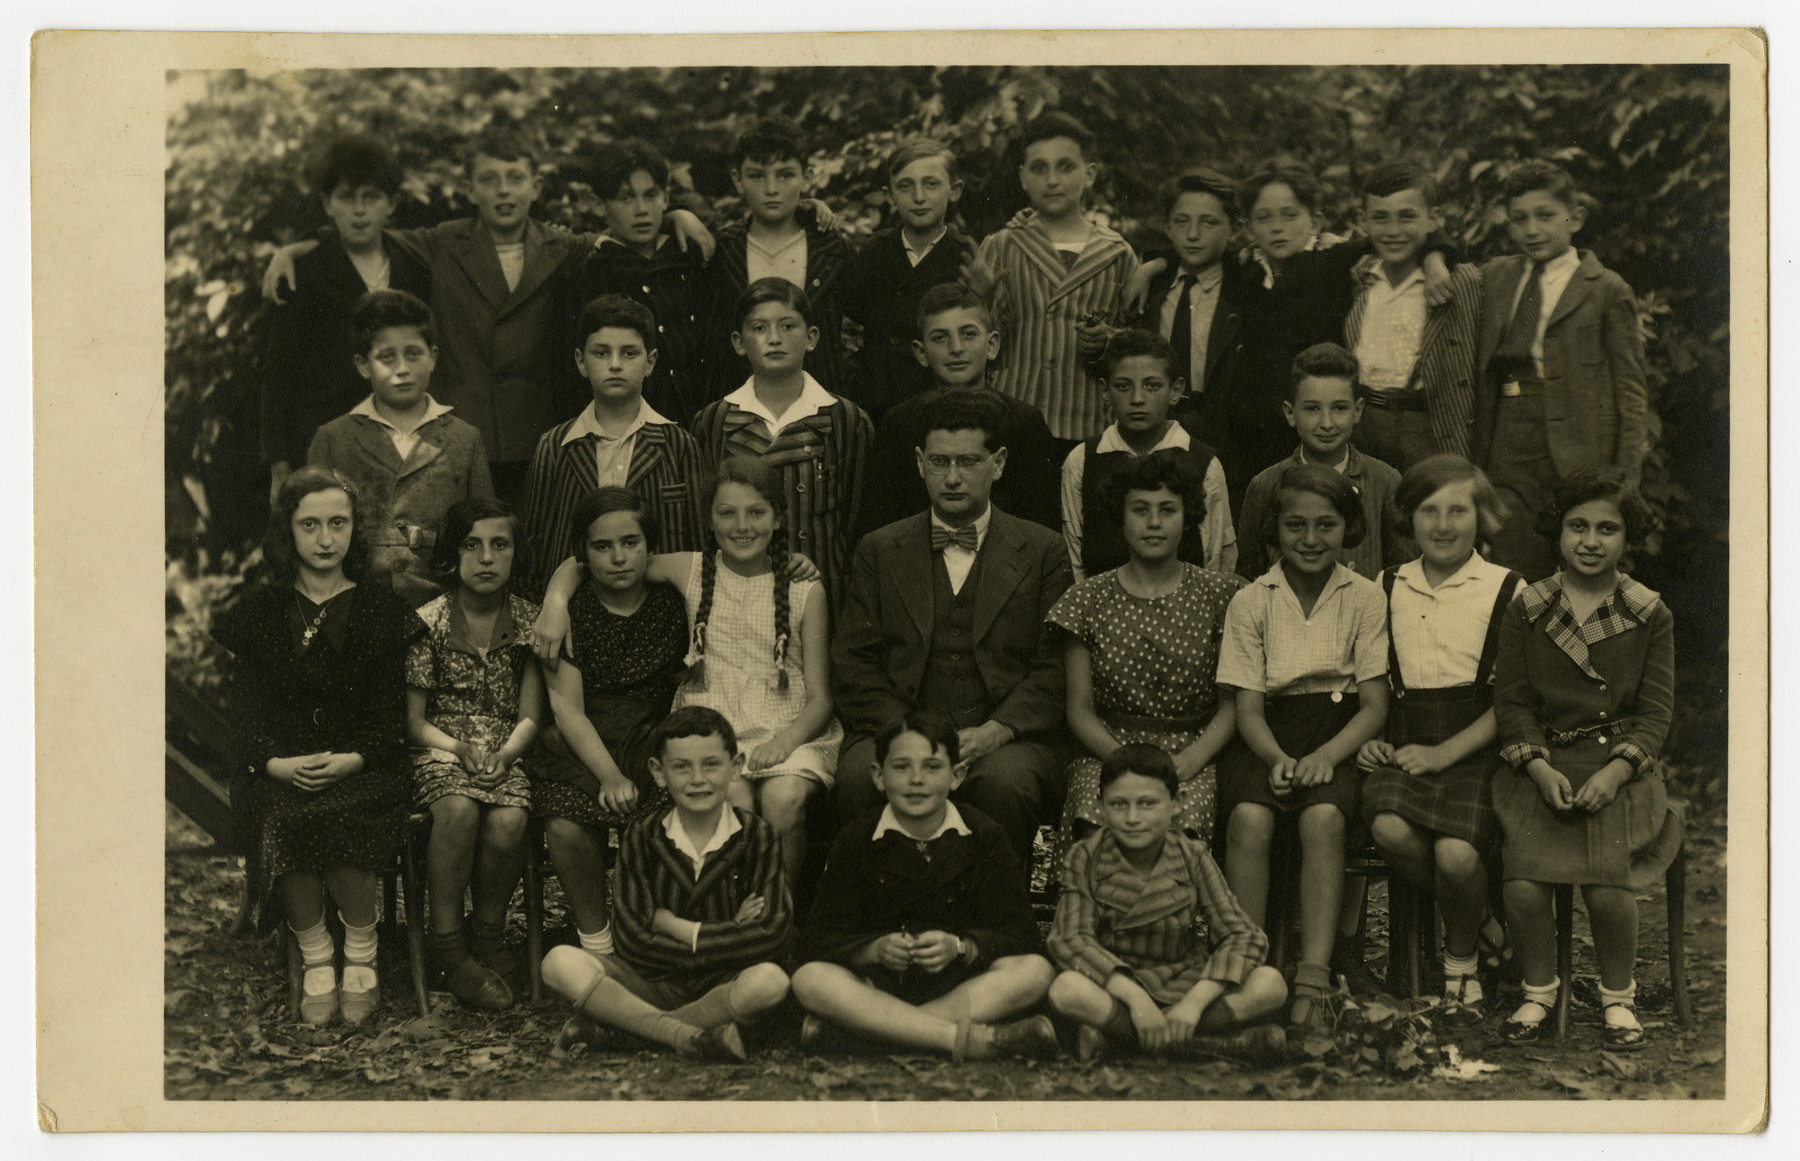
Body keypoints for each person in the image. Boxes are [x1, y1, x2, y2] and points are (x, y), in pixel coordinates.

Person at [263, 126, 715, 504]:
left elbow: (615, 234)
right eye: (491, 180)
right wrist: (297, 248)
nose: (504, 192)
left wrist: (679, 215)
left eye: (515, 179)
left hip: (536, 436)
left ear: (535, 186)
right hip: (459, 438)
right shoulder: (442, 242)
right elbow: (370, 235)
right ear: (471, 189)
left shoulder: (561, 246)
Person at [208, 467, 426, 1027]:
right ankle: (315, 957)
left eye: (338, 523)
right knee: (283, 815)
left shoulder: (380, 610)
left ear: (355, 529)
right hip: (281, 767)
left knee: (346, 808)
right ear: (289, 532)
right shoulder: (261, 612)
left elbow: (388, 719)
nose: (325, 538)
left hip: (363, 764)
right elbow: (246, 715)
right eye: (310, 525)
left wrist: (352, 759)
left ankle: (360, 953)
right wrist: (276, 764)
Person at [832, 388, 1073, 863]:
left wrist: (997, 730)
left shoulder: (1043, 549)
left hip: (1004, 735)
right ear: (920, 463)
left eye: (968, 461)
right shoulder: (880, 549)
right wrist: (906, 736)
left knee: (1005, 784)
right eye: (940, 462)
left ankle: (994, 922)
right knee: (860, 777)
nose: (954, 478)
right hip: (899, 723)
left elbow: (1055, 667)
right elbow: (854, 662)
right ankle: (879, 918)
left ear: (998, 463)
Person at [1491, 469, 1680, 1049]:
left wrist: (1618, 770)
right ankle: (1538, 991)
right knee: (1523, 886)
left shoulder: (1649, 613)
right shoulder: (1530, 605)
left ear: (1628, 539)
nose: (1590, 541)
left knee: (1606, 886)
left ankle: (1617, 998)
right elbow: (1512, 700)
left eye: (1607, 528)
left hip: (1619, 769)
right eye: (1578, 526)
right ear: (1558, 532)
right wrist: (1538, 766)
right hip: (1543, 764)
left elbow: (1655, 714)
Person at [1216, 463, 1389, 1029]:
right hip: (1267, 732)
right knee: (1248, 818)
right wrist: (1276, 759)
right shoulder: (1252, 600)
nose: (1310, 540)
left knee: (1323, 821)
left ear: (1348, 528)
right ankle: (1250, 969)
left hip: (1336, 733)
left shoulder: (1365, 597)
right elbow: (1245, 707)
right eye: (1295, 526)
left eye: (1326, 525)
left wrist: (1326, 757)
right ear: (1274, 528)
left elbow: (1375, 707)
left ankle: (1313, 977)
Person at [1355, 455, 1524, 1027]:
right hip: (1405, 742)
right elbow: (1373, 679)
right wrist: (1373, 738)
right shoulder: (1385, 586)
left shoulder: (1508, 589)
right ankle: (1482, 924)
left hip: (1477, 748)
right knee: (1387, 826)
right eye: (1429, 510)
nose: (1444, 525)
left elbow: (1512, 703)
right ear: (1408, 517)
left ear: (1482, 518)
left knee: (1456, 855)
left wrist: (1444, 754)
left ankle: (1461, 961)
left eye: (1459, 510)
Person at [790, 712, 1059, 1060]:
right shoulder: (857, 838)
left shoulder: (984, 835)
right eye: (901, 767)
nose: (916, 779)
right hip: (878, 985)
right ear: (878, 776)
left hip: (959, 986)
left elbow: (1019, 932)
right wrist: (873, 950)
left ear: (957, 775)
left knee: (1035, 972)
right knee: (810, 978)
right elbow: (818, 938)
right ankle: (966, 1040)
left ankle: (874, 1035)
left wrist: (962, 947)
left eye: (932, 767)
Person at [541, 707, 793, 1060]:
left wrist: (682, 931)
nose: (697, 779)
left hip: (725, 981)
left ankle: (627, 1032)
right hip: (651, 983)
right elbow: (633, 937)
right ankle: (685, 1035)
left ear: (736, 767)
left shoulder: (757, 835)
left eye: (711, 764)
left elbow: (771, 930)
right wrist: (729, 929)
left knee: (770, 981)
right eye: (681, 767)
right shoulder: (642, 835)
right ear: (658, 773)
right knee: (559, 962)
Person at [1050, 454, 1247, 869]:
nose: (1153, 523)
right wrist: (1125, 761)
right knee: (1097, 814)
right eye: (1140, 510)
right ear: (1120, 519)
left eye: (1167, 510)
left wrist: (1191, 760)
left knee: (1183, 825)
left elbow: (1233, 703)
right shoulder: (1086, 601)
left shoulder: (1224, 597)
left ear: (1188, 517)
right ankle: (1096, 928)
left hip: (1192, 752)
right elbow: (1079, 711)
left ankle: (1166, 927)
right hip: (1109, 750)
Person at [660, 456, 841, 890]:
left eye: (757, 512)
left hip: (789, 728)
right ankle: (737, 917)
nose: (742, 526)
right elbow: (610, 558)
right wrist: (555, 598)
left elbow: (820, 699)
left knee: (783, 799)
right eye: (727, 512)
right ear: (709, 519)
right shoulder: (691, 570)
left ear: (778, 519)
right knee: (731, 798)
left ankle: (782, 915)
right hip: (712, 728)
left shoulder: (804, 590)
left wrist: (784, 743)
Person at [1046, 744, 1287, 1063]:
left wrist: (1194, 1003)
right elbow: (1069, 939)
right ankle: (1204, 1046)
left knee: (1271, 984)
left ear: (1175, 804)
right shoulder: (1086, 856)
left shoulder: (1192, 855)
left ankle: (1125, 1042)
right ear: (1101, 807)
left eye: (1147, 804)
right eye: (1119, 804)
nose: (1132, 818)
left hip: (1183, 982)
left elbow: (1244, 935)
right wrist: (1136, 999)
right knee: (1067, 989)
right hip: (1116, 988)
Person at [1470, 161, 1650, 581]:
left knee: (1581, 571)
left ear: (1575, 218)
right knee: (1510, 566)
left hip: (1581, 452)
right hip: (1509, 446)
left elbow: (1631, 393)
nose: (1532, 229)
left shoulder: (1605, 288)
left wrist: (1623, 483)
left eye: (1545, 215)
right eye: (1519, 219)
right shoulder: (1494, 277)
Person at [529, 488, 689, 960]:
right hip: (584, 741)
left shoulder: (672, 599)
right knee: (565, 825)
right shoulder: (566, 614)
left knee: (671, 817)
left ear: (649, 546)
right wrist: (610, 775)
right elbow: (568, 710)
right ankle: (597, 945)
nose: (618, 558)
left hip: (652, 736)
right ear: (582, 552)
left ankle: (655, 939)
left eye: (631, 543)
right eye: (601, 547)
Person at [404, 497, 543, 1011]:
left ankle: (487, 934)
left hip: (506, 749)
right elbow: (414, 723)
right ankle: (447, 946)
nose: (486, 558)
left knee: (509, 821)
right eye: (472, 545)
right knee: (459, 810)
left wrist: (506, 755)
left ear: (513, 555)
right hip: (440, 749)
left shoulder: (530, 623)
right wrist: (458, 747)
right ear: (452, 555)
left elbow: (531, 714)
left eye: (499, 546)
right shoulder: (429, 622)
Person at [258, 133, 432, 508]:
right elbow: (278, 372)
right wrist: (279, 465)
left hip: (399, 439)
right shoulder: (301, 273)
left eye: (371, 198)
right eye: (346, 198)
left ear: (391, 204)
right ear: (327, 204)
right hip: (323, 440)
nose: (359, 211)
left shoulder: (413, 268)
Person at [690, 278, 873, 614]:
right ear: (739, 342)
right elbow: (707, 519)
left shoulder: (845, 419)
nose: (774, 339)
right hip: (741, 599)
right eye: (759, 328)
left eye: (788, 326)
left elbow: (854, 520)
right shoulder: (714, 421)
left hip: (823, 595)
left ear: (812, 337)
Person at [306, 289, 494, 607]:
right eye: (387, 357)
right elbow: (309, 538)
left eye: (413, 353)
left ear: (433, 356)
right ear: (363, 365)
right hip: (355, 613)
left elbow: (486, 535)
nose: (402, 368)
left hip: (443, 614)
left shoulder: (465, 439)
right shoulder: (332, 439)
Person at [518, 293, 706, 598]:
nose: (615, 365)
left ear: (650, 362)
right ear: (581, 361)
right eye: (601, 353)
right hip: (577, 611)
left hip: (659, 612)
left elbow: (698, 546)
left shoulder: (678, 444)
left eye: (629, 353)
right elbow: (536, 548)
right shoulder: (556, 445)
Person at [967, 112, 1138, 443]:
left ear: (1089, 174)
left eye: (1065, 167)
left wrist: (1107, 339)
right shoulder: (1001, 245)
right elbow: (975, 341)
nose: (1052, 180)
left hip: (1088, 422)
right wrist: (979, 297)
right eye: (1039, 168)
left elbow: (1138, 343)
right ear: (1023, 178)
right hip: (1014, 417)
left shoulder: (1117, 253)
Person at [855, 282, 1061, 540]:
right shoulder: (899, 424)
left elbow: (1044, 531)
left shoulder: (1024, 423)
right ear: (921, 353)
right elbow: (877, 529)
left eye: (968, 334)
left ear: (992, 344)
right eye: (940, 337)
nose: (956, 348)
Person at [700, 116, 856, 399]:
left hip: (821, 408)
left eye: (785, 175)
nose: (771, 189)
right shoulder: (722, 251)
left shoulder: (831, 248)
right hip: (741, 408)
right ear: (738, 179)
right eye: (758, 176)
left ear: (806, 178)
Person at [1060, 328, 1236, 579]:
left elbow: (1217, 562)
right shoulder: (1082, 461)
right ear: (1105, 391)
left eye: (1152, 386)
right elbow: (1075, 561)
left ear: (1175, 391)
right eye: (1123, 386)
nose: (1137, 399)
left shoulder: (1203, 463)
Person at [1343, 161, 1485, 472]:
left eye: (1407, 217)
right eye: (1380, 218)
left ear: (1434, 219)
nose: (1393, 231)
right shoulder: (1361, 276)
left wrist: (1436, 259)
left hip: (1427, 424)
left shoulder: (1459, 282)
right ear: (1363, 221)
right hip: (1364, 421)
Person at [1236, 343, 1407, 581]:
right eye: (1312, 409)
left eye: (1339, 408)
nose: (1326, 423)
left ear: (1357, 411)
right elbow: (1249, 578)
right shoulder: (1265, 485)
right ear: (1290, 413)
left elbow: (1402, 578)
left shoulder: (1385, 481)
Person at [573, 139, 710, 426]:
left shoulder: (689, 256)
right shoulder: (591, 273)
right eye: (625, 198)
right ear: (600, 205)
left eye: (650, 196)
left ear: (665, 197)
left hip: (701, 424)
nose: (641, 210)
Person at [842, 137, 977, 420]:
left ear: (954, 191)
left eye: (931, 184)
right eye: (905, 186)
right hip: (874, 405)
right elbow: (851, 319)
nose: (918, 197)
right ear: (889, 195)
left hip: (936, 405)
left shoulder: (966, 255)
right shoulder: (873, 251)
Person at [1121, 167, 1244, 439]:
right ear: (1167, 227)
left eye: (1209, 223)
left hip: (1223, 432)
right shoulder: (1152, 287)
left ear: (1234, 229)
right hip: (1155, 427)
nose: (1192, 234)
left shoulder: (1245, 289)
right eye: (1181, 221)